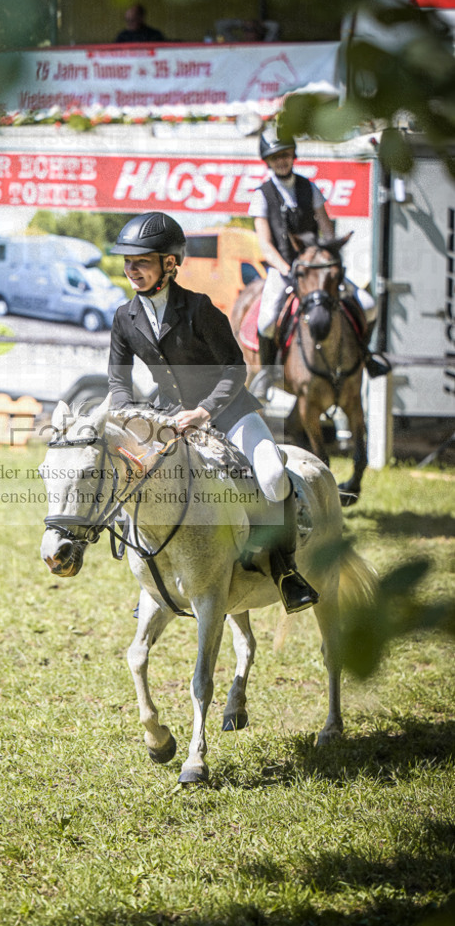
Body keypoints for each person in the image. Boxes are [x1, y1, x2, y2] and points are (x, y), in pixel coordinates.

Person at [107, 210, 319, 615]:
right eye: (128, 261)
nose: (132, 269)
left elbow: (235, 369)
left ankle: (284, 569)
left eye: (142, 261)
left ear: (170, 264)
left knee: (273, 478)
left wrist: (204, 411)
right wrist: (127, 417)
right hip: (167, 416)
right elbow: (118, 380)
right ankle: (155, 581)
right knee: (134, 481)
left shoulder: (199, 309)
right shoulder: (124, 318)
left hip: (229, 411)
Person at [249, 127, 387, 395]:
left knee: (368, 305)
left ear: (293, 155)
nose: (282, 161)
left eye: (286, 154)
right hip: (285, 268)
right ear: (267, 161)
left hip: (318, 269)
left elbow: (327, 230)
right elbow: (266, 244)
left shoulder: (309, 187)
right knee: (266, 322)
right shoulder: (261, 195)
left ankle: (365, 355)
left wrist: (329, 258)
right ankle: (267, 373)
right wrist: (287, 269)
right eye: (276, 157)